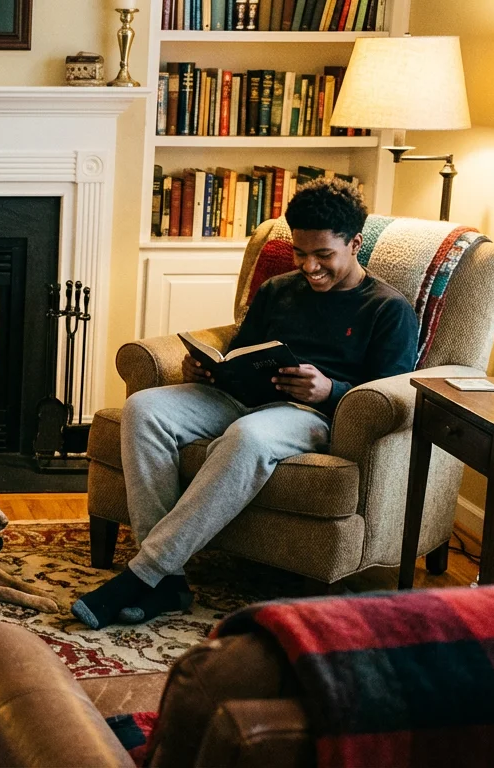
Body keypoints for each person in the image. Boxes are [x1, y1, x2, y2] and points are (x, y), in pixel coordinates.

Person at [73, 178, 420, 629]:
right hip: (240, 397)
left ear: (355, 244)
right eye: (300, 253)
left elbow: (387, 394)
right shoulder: (278, 289)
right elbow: (243, 351)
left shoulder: (388, 310)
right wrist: (207, 371)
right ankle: (170, 581)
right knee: (143, 410)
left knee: (248, 437)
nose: (310, 267)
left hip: (308, 415)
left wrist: (329, 390)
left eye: (323, 256)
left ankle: (143, 573)